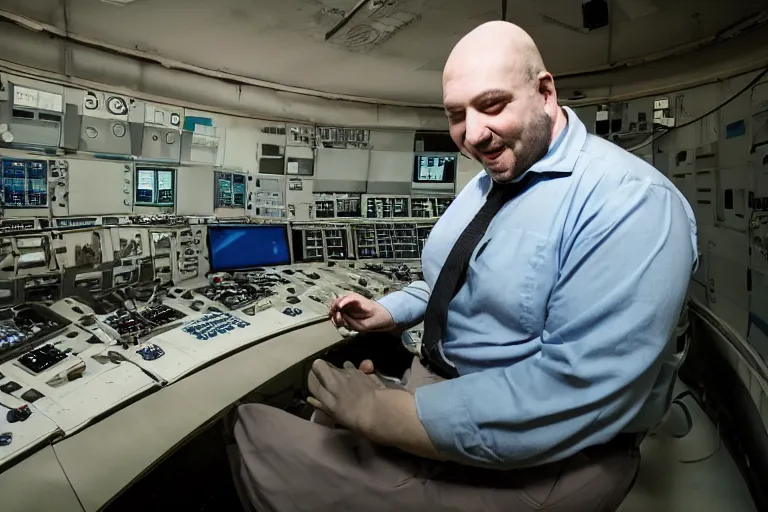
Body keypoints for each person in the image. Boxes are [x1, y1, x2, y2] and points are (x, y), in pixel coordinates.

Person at [229, 20, 698, 511]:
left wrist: (387, 413)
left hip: (542, 453)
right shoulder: (486, 184)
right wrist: (388, 312)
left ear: (544, 91)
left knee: (251, 430)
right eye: (457, 114)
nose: (473, 134)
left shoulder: (630, 202)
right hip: (441, 388)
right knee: (315, 419)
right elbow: (452, 282)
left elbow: (576, 390)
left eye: (492, 105)